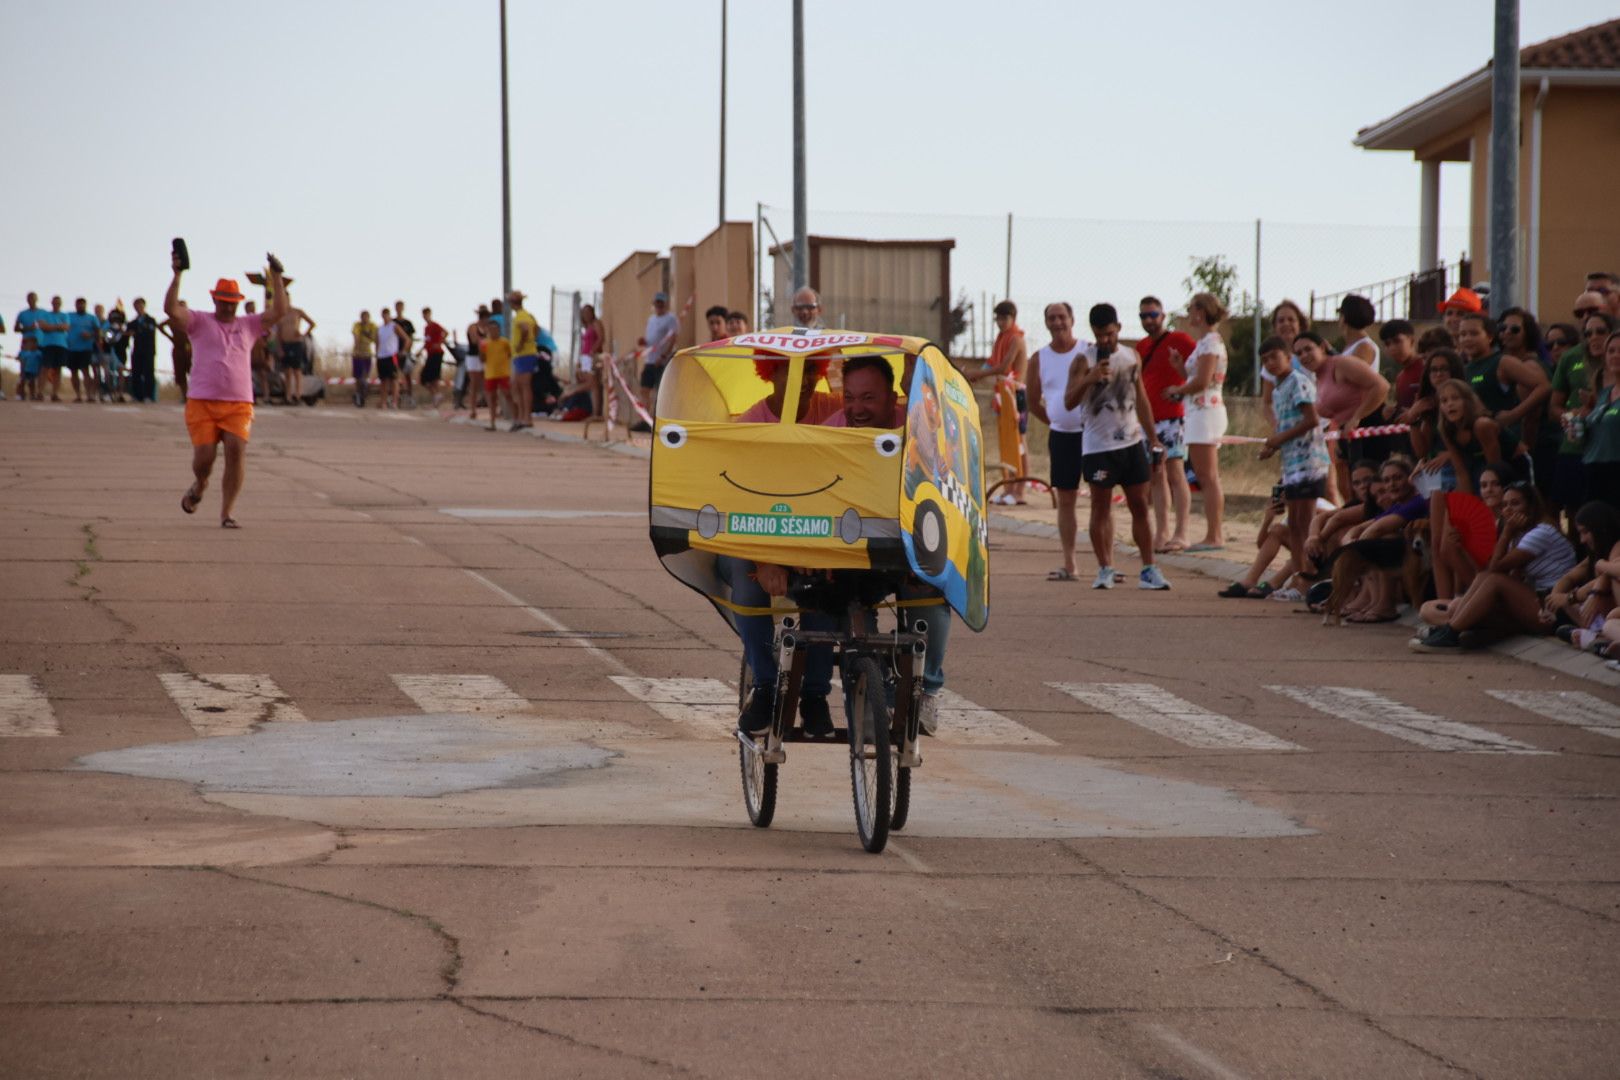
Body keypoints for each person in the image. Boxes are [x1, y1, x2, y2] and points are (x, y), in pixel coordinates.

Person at [167, 250, 288, 529]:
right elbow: (171, 310)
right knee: (204, 459)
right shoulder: (199, 321)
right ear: (214, 300)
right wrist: (177, 275)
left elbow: (280, 311)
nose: (228, 307)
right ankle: (200, 484)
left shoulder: (249, 325)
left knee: (236, 450)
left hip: (238, 403)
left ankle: (227, 513)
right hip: (202, 401)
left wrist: (277, 278)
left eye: (232, 303)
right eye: (223, 302)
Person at [1063, 303, 1170, 591]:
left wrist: (1154, 436)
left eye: (1109, 334)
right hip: (1098, 447)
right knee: (1100, 507)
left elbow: (1142, 399)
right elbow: (1069, 401)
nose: (1105, 341)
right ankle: (1105, 568)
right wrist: (1089, 378)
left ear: (1119, 329)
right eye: (1099, 335)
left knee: (1139, 505)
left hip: (1132, 442)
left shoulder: (1131, 355)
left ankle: (1149, 569)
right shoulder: (1082, 360)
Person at [1413, 480, 1577, 651]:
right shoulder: (1519, 534)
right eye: (1505, 505)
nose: (1508, 510)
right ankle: (1459, 630)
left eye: (1515, 504)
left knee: (1492, 581)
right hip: (1533, 601)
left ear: (1531, 507)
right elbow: (1493, 575)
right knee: (1429, 609)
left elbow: (1495, 568)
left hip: (1554, 608)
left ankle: (1451, 632)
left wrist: (1506, 533)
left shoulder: (1541, 532)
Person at [1255, 335, 1330, 598]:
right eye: (1265, 360)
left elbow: (1311, 420)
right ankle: (1300, 580)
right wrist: (1273, 445)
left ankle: (1309, 578)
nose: (1271, 363)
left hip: (1309, 461)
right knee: (1295, 524)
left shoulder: (1299, 382)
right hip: (1292, 464)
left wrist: (1278, 439)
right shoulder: (1277, 389)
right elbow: (1287, 425)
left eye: (1274, 357)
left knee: (1304, 523)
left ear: (1288, 357)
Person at [1025, 302, 1088, 581]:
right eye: (1052, 317)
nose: (1058, 322)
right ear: (1046, 323)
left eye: (1062, 316)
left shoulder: (1088, 349)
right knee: (1066, 500)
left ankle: (1106, 564)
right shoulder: (1039, 358)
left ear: (1072, 319)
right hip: (1062, 437)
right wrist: (1056, 419)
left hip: (1093, 435)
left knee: (1102, 498)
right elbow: (1031, 400)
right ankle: (1070, 563)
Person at [1292, 331, 1390, 507]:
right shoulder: (1318, 377)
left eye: (1308, 349)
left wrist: (1357, 417)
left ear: (1322, 347)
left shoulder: (1342, 363)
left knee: (1371, 490)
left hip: (1369, 432)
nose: (1304, 356)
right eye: (1299, 353)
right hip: (1346, 438)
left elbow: (1382, 386)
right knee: (1351, 492)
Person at [1164, 291, 1228, 550]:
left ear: (1200, 312)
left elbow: (1202, 381)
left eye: (1191, 309)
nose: (1189, 314)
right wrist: (1181, 368)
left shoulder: (1210, 343)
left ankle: (1215, 535)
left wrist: (1176, 390)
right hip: (1200, 412)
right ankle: (1214, 533)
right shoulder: (1204, 343)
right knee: (1206, 474)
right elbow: (1199, 378)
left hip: (1206, 412)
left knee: (1208, 476)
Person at [1136, 295, 1197, 554]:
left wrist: (1181, 389)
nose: (1149, 320)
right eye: (1143, 316)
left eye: (1153, 314)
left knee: (1175, 471)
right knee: (1155, 474)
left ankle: (1181, 531)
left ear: (1163, 315)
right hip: (1148, 420)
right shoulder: (1140, 346)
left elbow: (1200, 371)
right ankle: (1161, 531)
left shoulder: (1181, 341)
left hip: (1173, 416)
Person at [1456, 312, 1550, 466]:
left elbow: (1543, 386)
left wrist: (1514, 414)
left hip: (1504, 447)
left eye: (1474, 333)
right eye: (1463, 334)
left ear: (1490, 337)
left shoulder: (1502, 362)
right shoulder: (1463, 369)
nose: (1467, 339)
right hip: (1476, 450)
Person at [967, 300, 1030, 505]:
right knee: (1006, 444)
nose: (1001, 322)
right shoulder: (1001, 338)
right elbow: (992, 363)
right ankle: (1008, 488)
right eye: (998, 319)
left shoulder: (1016, 339)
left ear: (1013, 318)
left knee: (1019, 444)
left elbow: (1004, 368)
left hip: (1015, 394)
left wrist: (978, 373)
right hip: (1001, 394)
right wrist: (973, 374)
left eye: (1005, 318)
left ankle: (1020, 490)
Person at [1575, 328, 1620, 505]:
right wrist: (1576, 427)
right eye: (1611, 351)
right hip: (1592, 468)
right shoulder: (1604, 393)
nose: (1615, 355)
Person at [1258, 299, 1311, 427]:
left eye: (1291, 320)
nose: (1286, 324)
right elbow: (1267, 403)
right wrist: (1278, 427)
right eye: (1281, 320)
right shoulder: (1270, 363)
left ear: (1300, 324)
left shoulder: (1312, 353)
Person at [636, 291, 679, 428]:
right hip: (650, 360)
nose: (659, 306)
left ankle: (656, 421)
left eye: (661, 303)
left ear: (665, 304)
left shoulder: (671, 319)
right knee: (644, 390)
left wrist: (664, 356)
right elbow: (651, 340)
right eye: (657, 303)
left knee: (659, 391)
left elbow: (673, 338)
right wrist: (644, 342)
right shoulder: (651, 319)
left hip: (661, 361)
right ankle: (645, 419)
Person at [271, 296, 316, 406]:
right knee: (287, 371)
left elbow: (312, 323)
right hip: (285, 344)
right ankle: (288, 396)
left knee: (297, 370)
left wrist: (303, 334)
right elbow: (278, 333)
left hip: (297, 343)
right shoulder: (280, 315)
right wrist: (279, 347)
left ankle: (298, 395)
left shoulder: (297, 312)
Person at [508, 290, 540, 430]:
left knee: (524, 386)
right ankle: (522, 416)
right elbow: (536, 328)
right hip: (522, 355)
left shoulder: (521, 316)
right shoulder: (528, 315)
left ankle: (527, 417)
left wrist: (522, 344)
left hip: (524, 354)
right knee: (516, 386)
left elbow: (526, 329)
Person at [13, 293, 51, 400]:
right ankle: (21, 393)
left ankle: (36, 393)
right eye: (29, 299)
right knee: (24, 371)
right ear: (27, 300)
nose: (32, 300)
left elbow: (48, 326)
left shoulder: (44, 313)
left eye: (33, 298)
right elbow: (16, 328)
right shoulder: (22, 313)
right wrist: (29, 328)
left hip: (42, 344)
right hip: (27, 344)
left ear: (37, 299)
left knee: (39, 371)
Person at [480, 315, 514, 431]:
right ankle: (492, 422)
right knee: (491, 398)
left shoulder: (505, 342)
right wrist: (481, 351)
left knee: (508, 394)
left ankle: (515, 419)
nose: (493, 332)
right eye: (491, 329)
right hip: (490, 373)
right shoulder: (485, 343)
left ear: (499, 330)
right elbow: (482, 359)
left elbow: (510, 354)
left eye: (495, 329)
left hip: (503, 373)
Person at [65, 298, 100, 403]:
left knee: (86, 371)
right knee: (73, 372)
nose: (80, 306)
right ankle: (78, 395)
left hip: (86, 348)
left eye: (82, 305)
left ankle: (89, 395)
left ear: (85, 305)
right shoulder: (69, 316)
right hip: (71, 348)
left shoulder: (92, 318)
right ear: (75, 305)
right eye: (78, 305)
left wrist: (90, 335)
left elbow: (99, 333)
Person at [125, 298, 160, 403]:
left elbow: (149, 331)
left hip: (148, 350)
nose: (138, 308)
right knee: (136, 373)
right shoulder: (132, 322)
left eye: (140, 305)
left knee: (148, 373)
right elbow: (127, 333)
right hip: (137, 351)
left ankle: (148, 396)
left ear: (144, 306)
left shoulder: (151, 320)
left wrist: (139, 331)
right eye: (136, 306)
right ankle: (137, 396)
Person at [578, 302, 606, 417]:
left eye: (588, 312)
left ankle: (596, 412)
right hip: (585, 357)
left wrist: (592, 351)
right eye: (584, 313)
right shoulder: (586, 327)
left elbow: (601, 338)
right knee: (590, 383)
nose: (586, 315)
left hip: (592, 356)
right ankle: (593, 410)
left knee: (594, 384)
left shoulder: (596, 324)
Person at [419, 307, 448, 408]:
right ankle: (436, 395)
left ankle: (436, 397)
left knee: (434, 377)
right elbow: (427, 341)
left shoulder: (435, 325)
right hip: (430, 354)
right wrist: (420, 350)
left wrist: (439, 343)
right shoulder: (426, 328)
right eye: (424, 315)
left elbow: (445, 332)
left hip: (437, 353)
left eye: (427, 314)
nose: (425, 316)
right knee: (424, 378)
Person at [375, 308, 404, 409]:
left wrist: (403, 351)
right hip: (381, 357)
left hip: (392, 356)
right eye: (383, 315)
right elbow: (377, 343)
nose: (385, 317)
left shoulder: (394, 326)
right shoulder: (380, 329)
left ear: (389, 315)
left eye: (386, 315)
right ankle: (383, 402)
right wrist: (377, 355)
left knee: (394, 380)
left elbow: (406, 339)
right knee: (383, 381)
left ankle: (395, 402)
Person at [350, 310, 376, 407]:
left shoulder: (373, 326)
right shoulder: (357, 325)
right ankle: (357, 394)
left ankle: (363, 393)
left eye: (366, 317)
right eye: (363, 317)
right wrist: (356, 350)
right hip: (358, 354)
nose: (364, 319)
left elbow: (374, 338)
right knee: (357, 376)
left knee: (365, 376)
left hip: (367, 354)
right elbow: (355, 336)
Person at [392, 300, 416, 404]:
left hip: (405, 352)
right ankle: (394, 397)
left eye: (401, 307)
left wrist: (406, 350)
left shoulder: (408, 323)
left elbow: (411, 338)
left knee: (407, 374)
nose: (399, 309)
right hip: (393, 352)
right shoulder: (392, 322)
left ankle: (410, 396)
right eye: (397, 307)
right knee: (394, 374)